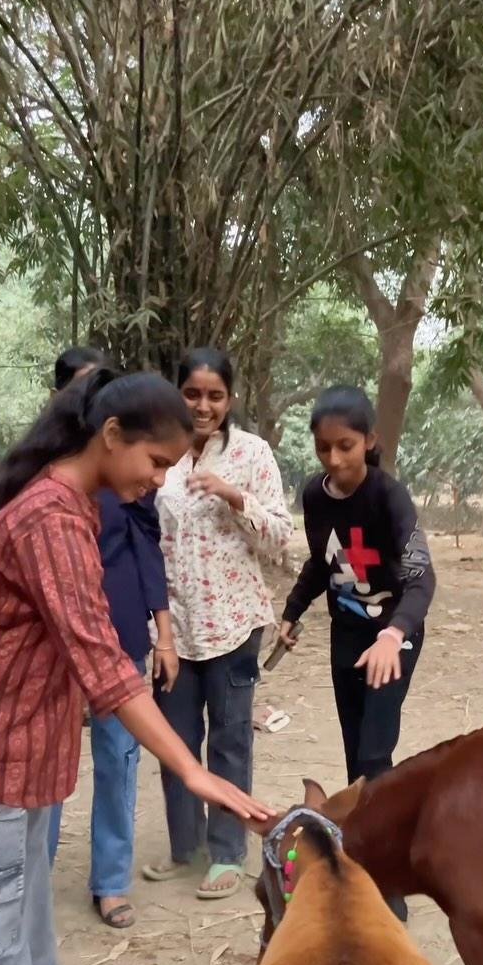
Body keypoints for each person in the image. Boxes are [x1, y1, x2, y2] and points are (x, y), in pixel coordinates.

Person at [0, 368, 272, 965]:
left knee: (22, 878)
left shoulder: (77, 503)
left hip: (25, 723)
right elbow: (102, 663)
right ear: (111, 436)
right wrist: (192, 768)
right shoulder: (50, 517)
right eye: (155, 463)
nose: (159, 481)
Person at [278, 385, 436, 922]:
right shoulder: (314, 496)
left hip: (393, 634)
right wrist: (292, 612)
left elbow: (420, 577)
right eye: (323, 447)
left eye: (345, 445)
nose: (334, 459)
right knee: (356, 755)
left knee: (374, 752)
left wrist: (394, 635)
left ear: (370, 440)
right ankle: (363, 851)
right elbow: (323, 563)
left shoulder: (390, 498)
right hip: (346, 634)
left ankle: (385, 876)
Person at [142, 348, 292, 899]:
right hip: (171, 631)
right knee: (176, 743)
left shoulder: (251, 453)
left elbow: (280, 536)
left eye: (215, 396)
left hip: (233, 625)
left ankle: (228, 853)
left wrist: (234, 495)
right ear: (177, 392)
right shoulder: (158, 451)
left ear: (229, 399)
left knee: (230, 744)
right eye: (192, 394)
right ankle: (188, 850)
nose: (203, 406)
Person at [47, 348, 179, 930]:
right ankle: (31, 871)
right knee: (46, 758)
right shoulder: (48, 478)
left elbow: (149, 549)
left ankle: (110, 880)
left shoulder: (135, 478)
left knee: (119, 759)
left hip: (120, 627)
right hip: (59, 638)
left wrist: (164, 632)